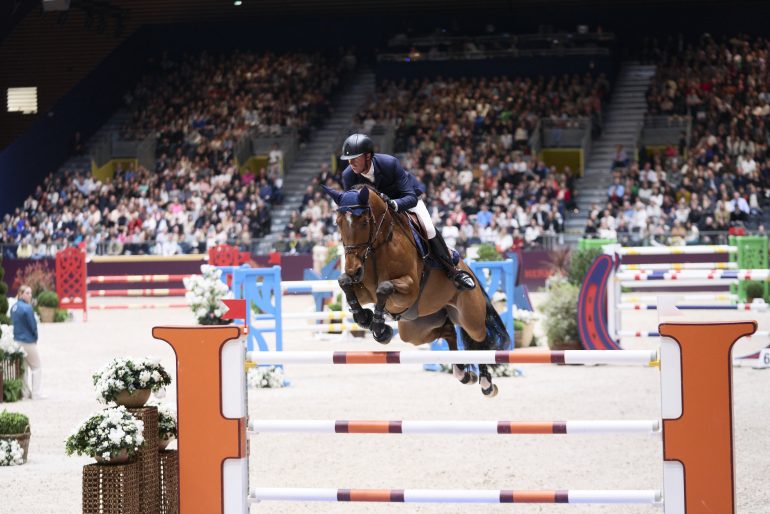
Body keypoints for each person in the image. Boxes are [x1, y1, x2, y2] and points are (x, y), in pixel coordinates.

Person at [338, 133, 475, 290]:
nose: (350, 163)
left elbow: (411, 197)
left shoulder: (389, 164)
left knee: (429, 229)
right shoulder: (348, 176)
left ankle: (452, 270)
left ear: (368, 156)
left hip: (403, 200)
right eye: (348, 159)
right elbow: (352, 207)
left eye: (355, 158)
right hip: (377, 212)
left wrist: (394, 204)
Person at [10, 285, 46, 400]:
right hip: (28, 341)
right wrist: (35, 338)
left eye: (30, 293)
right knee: (36, 367)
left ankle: (24, 393)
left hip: (17, 341)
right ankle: (36, 393)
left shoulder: (13, 307)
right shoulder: (27, 308)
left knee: (24, 368)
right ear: (21, 294)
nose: (30, 295)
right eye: (27, 293)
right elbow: (33, 326)